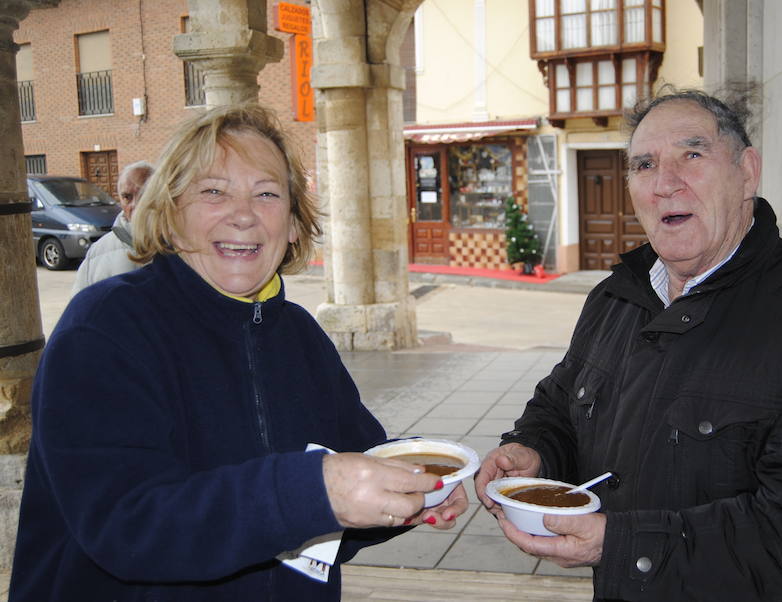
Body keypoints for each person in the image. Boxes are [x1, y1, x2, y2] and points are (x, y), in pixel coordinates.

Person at [11, 104, 467, 601]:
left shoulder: (301, 337)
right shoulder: (105, 328)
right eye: (213, 191)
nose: (244, 214)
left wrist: (406, 495)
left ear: (293, 224)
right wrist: (313, 492)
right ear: (169, 213)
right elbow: (126, 526)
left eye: (267, 193)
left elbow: (335, 502)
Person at [474, 88, 782, 601]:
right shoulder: (617, 295)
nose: (665, 184)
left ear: (747, 172)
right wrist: (535, 454)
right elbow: (560, 405)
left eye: (692, 155)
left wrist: (621, 545)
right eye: (645, 164)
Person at [71, 160, 154, 294]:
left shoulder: (182, 246)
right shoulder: (97, 253)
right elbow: (80, 308)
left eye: (143, 195)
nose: (134, 205)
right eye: (127, 197)